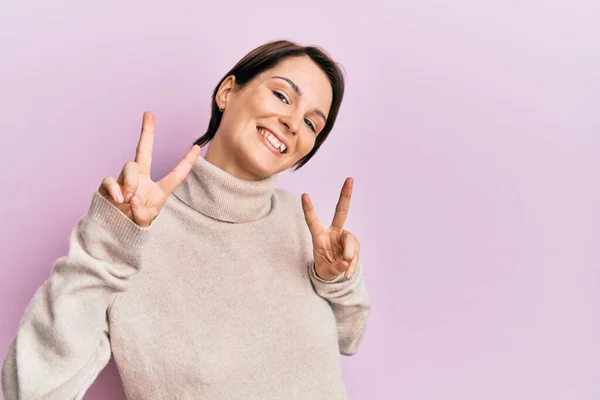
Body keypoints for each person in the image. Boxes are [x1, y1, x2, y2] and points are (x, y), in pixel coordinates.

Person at [1, 39, 371, 399]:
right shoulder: (132, 236)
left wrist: (334, 279)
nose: (293, 122)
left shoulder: (299, 221)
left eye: (311, 123)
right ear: (228, 91)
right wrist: (108, 245)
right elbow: (32, 390)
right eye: (282, 96)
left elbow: (350, 337)